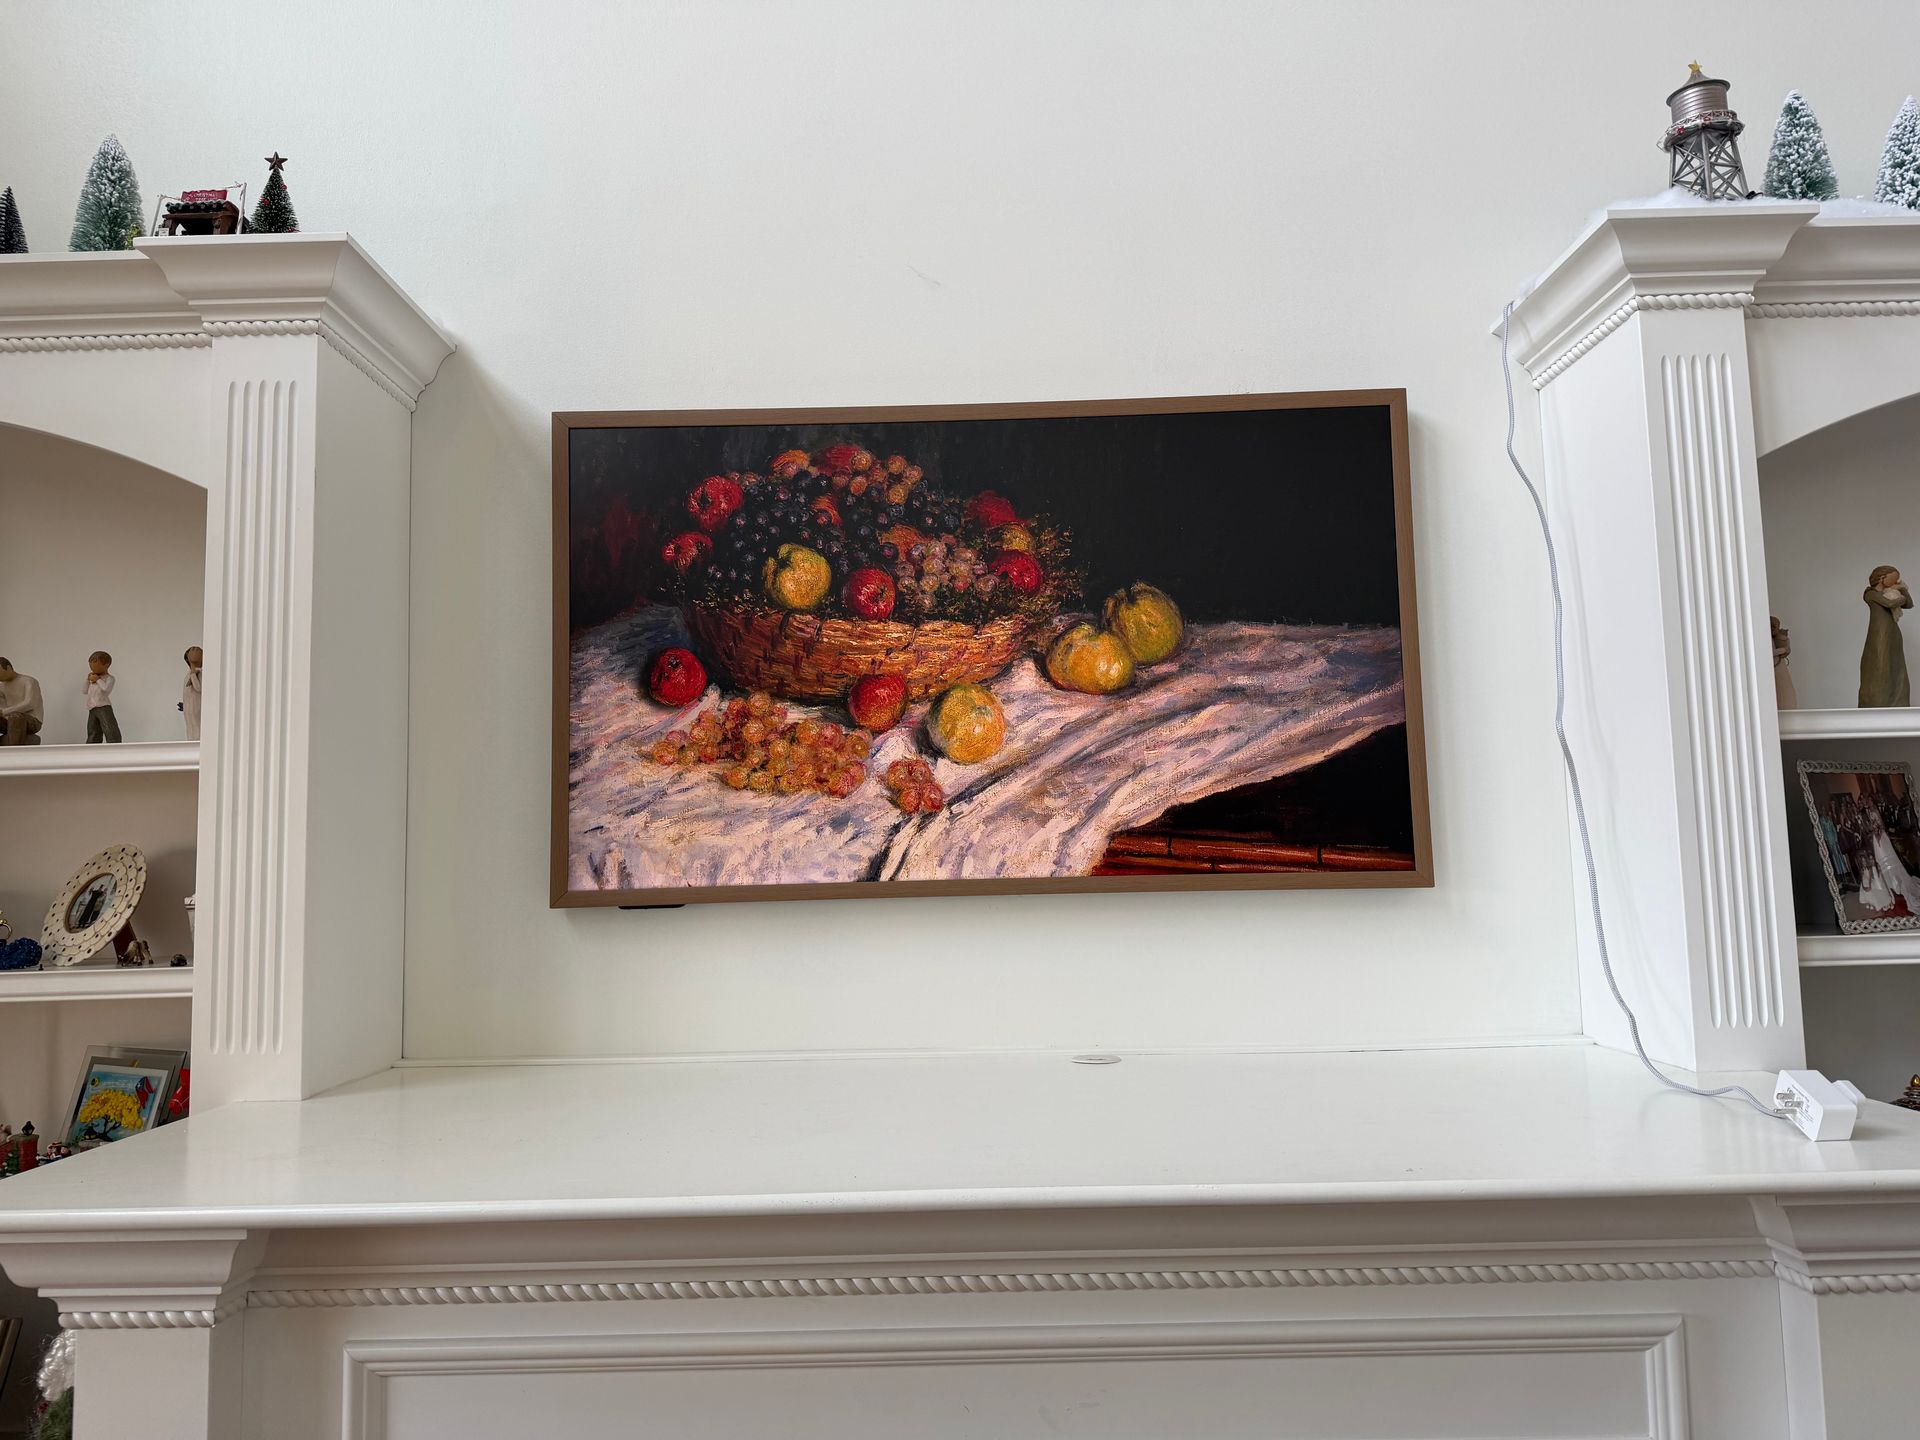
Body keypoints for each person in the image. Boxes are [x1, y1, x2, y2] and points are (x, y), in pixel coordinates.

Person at [1860, 565, 1914, 707]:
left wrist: (1902, 589)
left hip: (1893, 635)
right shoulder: (1870, 594)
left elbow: (1909, 604)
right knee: (1881, 666)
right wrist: (1900, 593)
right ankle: (1877, 703)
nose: (1896, 581)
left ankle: (1897, 702)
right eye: (1894, 579)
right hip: (1879, 636)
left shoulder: (1891, 592)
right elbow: (1889, 603)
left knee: (1896, 667)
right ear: (1882, 579)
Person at [0, 658, 43, 745]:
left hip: (32, 721)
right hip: (9, 721)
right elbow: (2, 707)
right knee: (13, 717)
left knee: (16, 717)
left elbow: (30, 703)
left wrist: (4, 712)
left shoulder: (29, 681)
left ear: (8, 668)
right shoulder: (1, 687)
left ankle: (14, 751)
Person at [84, 650, 121, 744]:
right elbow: (84, 691)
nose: (92, 669)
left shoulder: (109, 678)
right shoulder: (93, 679)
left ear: (106, 665)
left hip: (103, 707)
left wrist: (97, 680)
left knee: (109, 727)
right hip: (92, 707)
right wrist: (87, 680)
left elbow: (106, 689)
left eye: (95, 665)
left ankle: (114, 744)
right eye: (91, 666)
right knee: (93, 730)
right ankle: (92, 746)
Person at [180, 646, 202, 741]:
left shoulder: (200, 673)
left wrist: (194, 674)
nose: (194, 650)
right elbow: (187, 691)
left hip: (197, 706)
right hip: (189, 707)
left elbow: (198, 688)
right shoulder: (188, 675)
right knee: (190, 726)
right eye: (192, 650)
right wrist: (185, 705)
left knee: (197, 726)